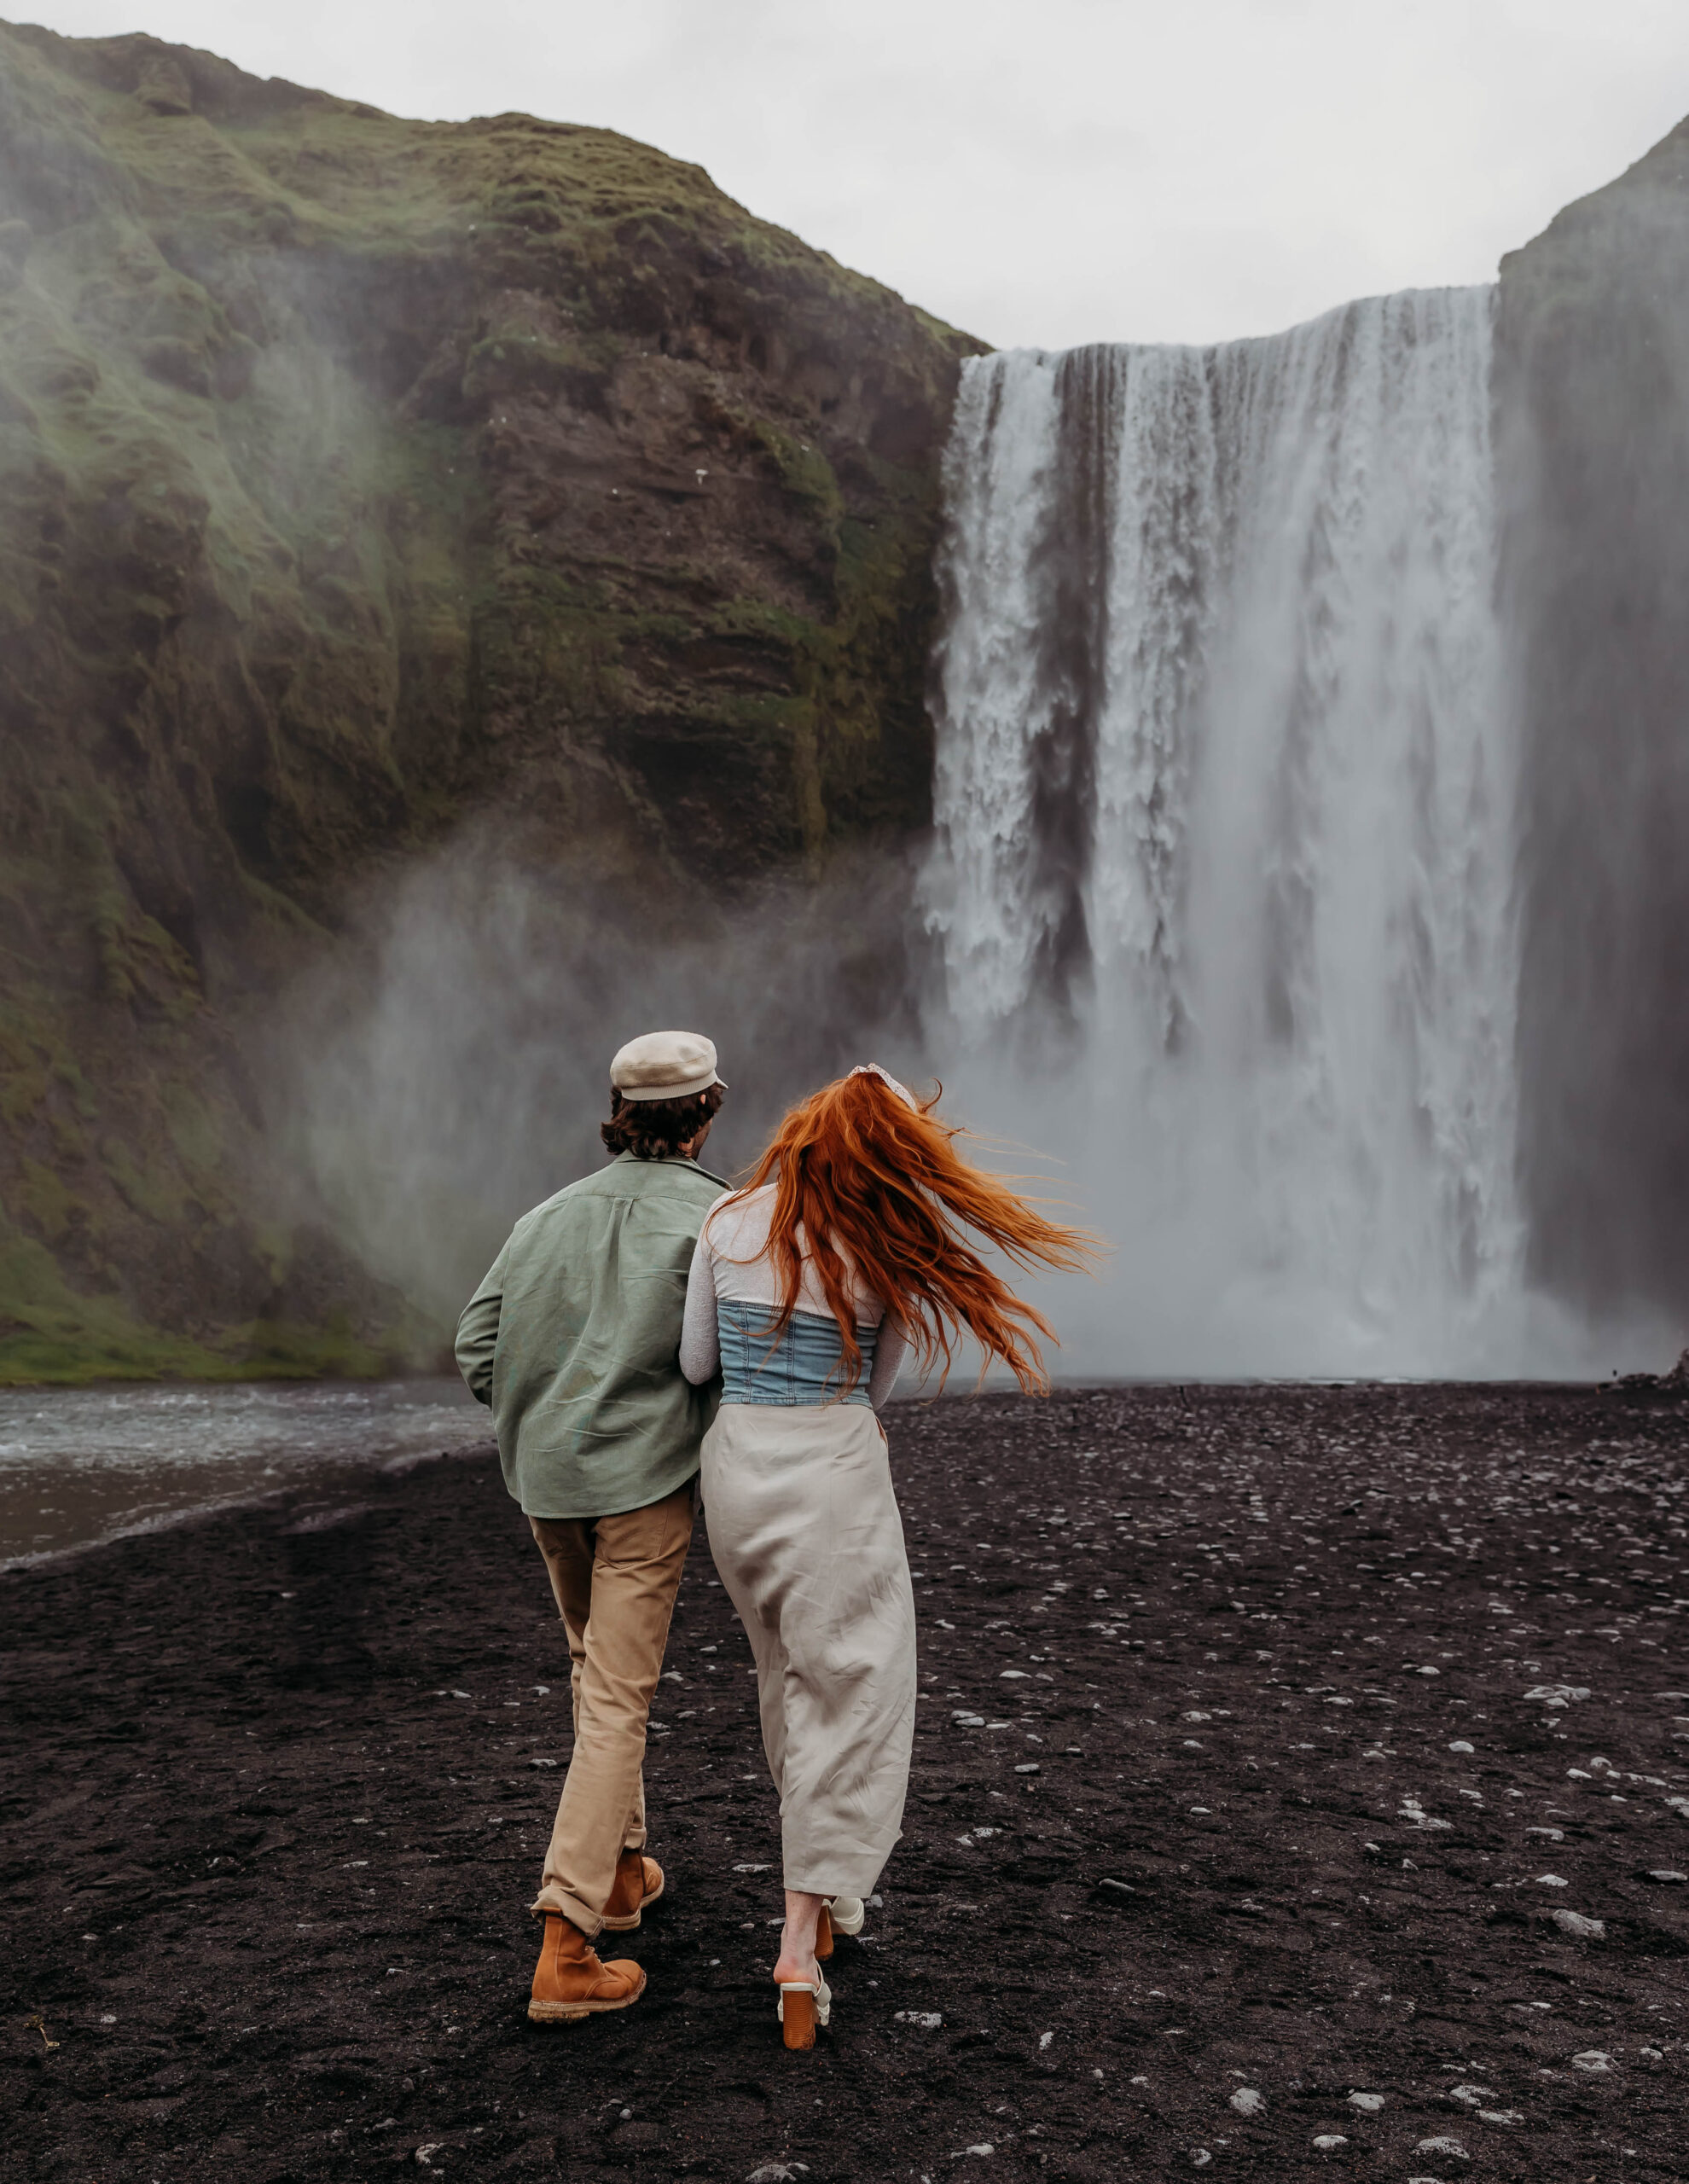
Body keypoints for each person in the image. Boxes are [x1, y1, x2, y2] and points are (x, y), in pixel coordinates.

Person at [678, 1062, 1094, 2049]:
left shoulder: (727, 1219)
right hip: (832, 1474)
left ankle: (825, 1891)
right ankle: (796, 1942)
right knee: (856, 1687)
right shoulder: (881, 1247)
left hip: (735, 1473)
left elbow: (697, 1364)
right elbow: (877, 1389)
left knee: (787, 1677)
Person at [456, 1030, 729, 2024]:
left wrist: (530, 1419)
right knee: (618, 1696)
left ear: (617, 1111)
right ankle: (566, 1944)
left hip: (548, 1480)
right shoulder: (719, 1218)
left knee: (590, 1667)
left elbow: (475, 1341)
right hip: (645, 1483)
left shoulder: (543, 1217)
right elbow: (728, 1349)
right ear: (709, 1110)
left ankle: (620, 1878)